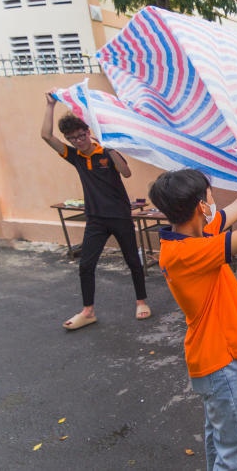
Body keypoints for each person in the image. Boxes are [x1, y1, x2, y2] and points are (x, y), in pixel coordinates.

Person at [148, 150, 237, 471]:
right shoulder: (187, 252)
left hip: (211, 358)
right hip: (219, 361)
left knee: (219, 440)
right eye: (210, 198)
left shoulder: (194, 235)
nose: (214, 204)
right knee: (235, 451)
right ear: (201, 207)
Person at [41, 91, 151, 330]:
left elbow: (127, 173)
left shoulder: (106, 150)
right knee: (86, 265)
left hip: (120, 216)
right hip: (95, 219)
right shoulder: (75, 157)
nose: (79, 141)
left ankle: (141, 301)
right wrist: (50, 105)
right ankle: (88, 311)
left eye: (82, 135)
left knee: (133, 260)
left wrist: (111, 149)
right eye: (73, 138)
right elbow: (46, 136)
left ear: (88, 132)